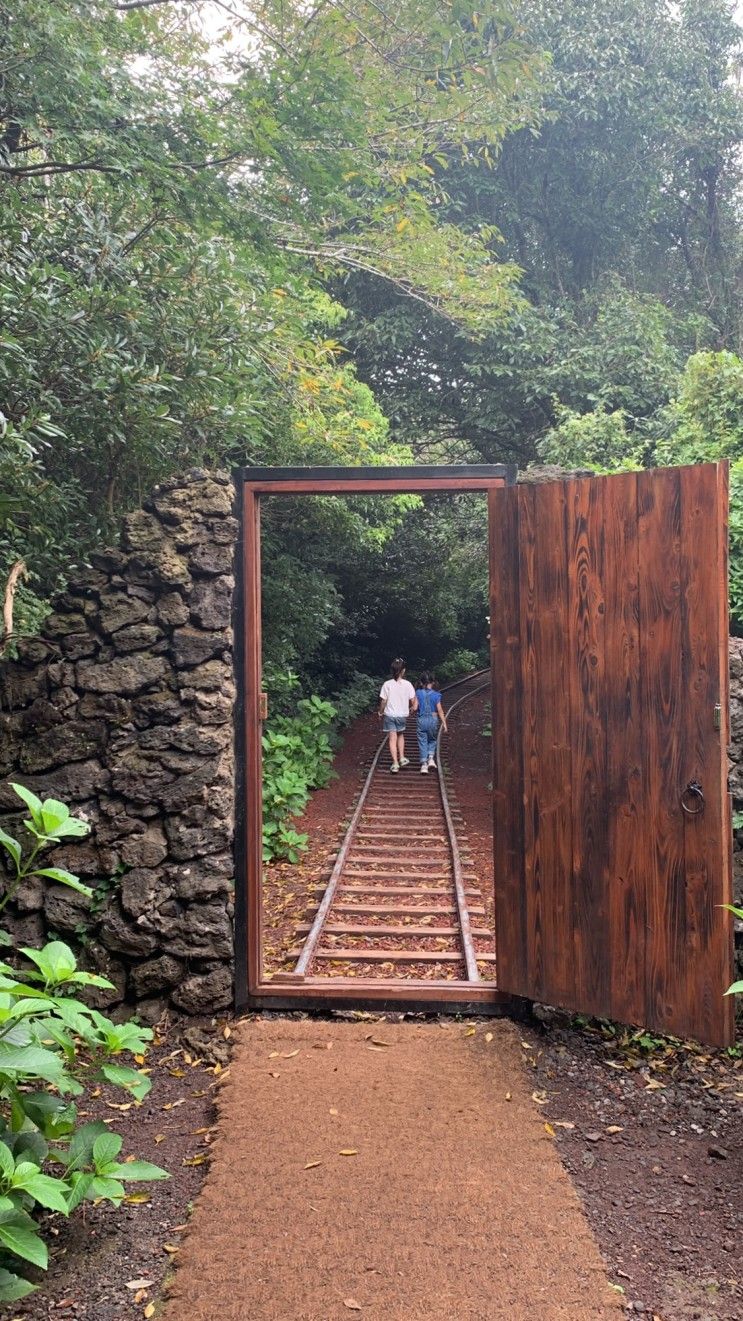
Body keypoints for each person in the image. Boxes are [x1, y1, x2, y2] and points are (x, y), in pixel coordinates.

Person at [378, 658, 417, 773]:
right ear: (403, 671)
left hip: (389, 715)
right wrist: (412, 708)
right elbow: (413, 700)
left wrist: (380, 712)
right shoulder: (408, 684)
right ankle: (402, 758)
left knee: (392, 739)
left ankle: (395, 763)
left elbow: (383, 701)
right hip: (401, 716)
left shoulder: (387, 684)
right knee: (400, 735)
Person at [414, 672, 447, 773]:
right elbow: (440, 710)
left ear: (421, 682)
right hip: (433, 719)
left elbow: (415, 707)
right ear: (433, 682)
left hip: (422, 719)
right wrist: (444, 723)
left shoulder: (418, 693)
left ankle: (424, 765)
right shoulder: (436, 695)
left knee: (422, 741)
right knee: (432, 739)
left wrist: (412, 709)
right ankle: (431, 759)